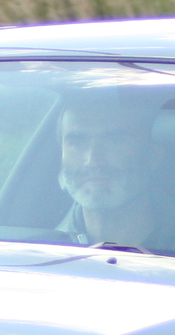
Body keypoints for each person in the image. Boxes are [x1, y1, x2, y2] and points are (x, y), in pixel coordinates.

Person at [55, 88, 166, 247]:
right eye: (77, 143)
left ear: (153, 156)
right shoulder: (37, 250)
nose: (93, 161)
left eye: (115, 141)